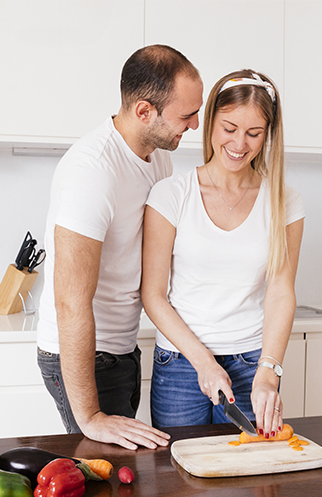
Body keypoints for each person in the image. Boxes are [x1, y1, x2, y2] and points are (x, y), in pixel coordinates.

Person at [36, 45, 204, 450]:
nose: (196, 124)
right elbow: (70, 302)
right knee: (103, 470)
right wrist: (91, 416)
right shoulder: (92, 172)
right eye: (186, 115)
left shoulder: (155, 158)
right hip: (83, 357)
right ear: (144, 111)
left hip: (121, 352)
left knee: (122, 471)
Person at [141, 69, 304, 439]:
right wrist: (204, 363)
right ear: (209, 120)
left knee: (247, 476)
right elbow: (153, 295)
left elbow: (281, 292)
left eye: (254, 133)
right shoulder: (171, 195)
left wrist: (269, 370)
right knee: (177, 477)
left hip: (252, 363)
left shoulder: (285, 202)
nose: (239, 144)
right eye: (229, 128)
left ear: (269, 135)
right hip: (180, 363)